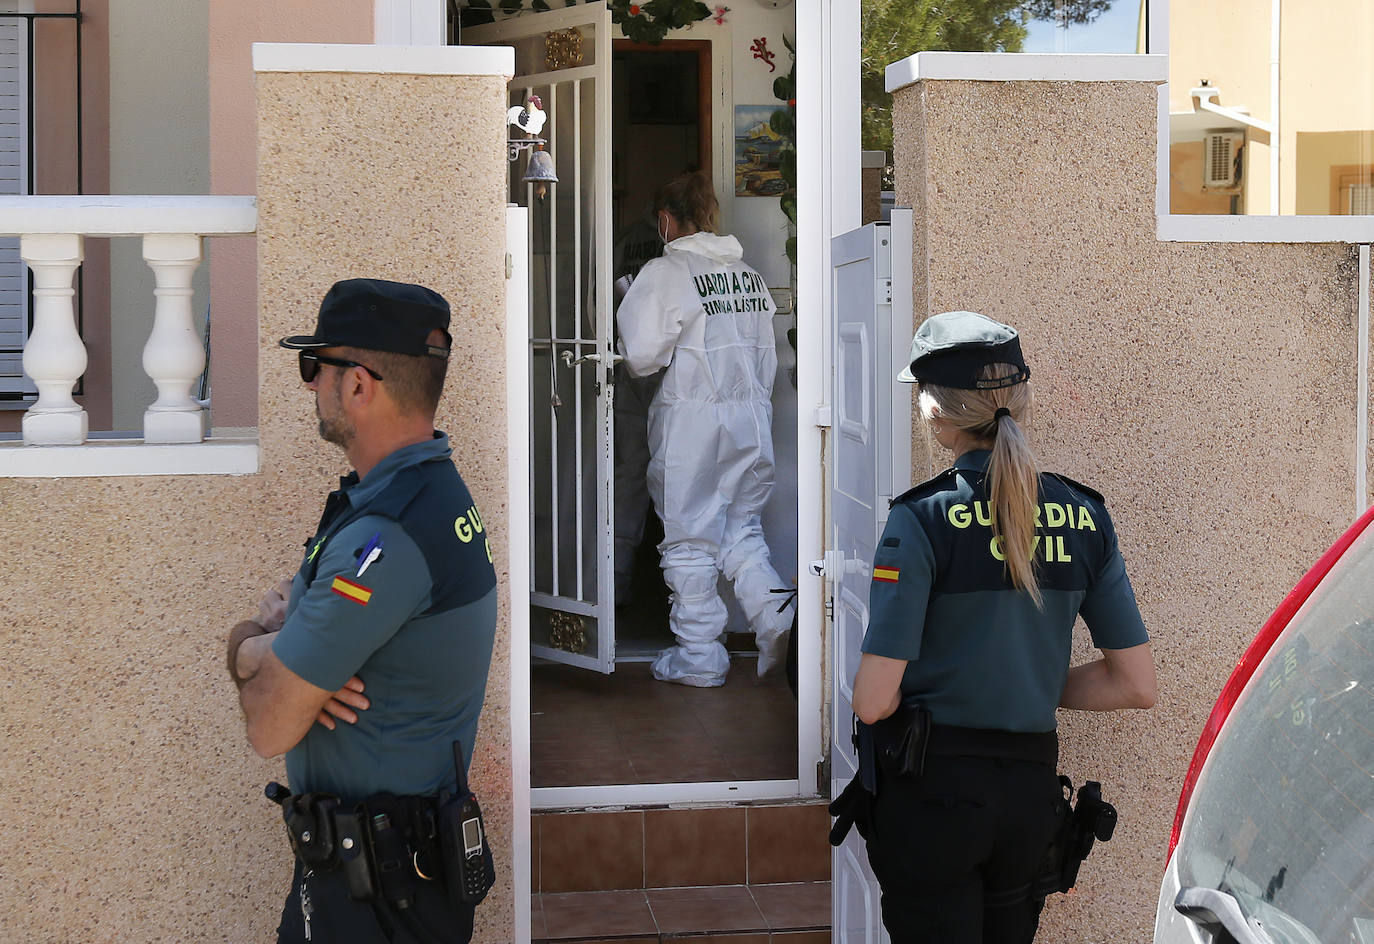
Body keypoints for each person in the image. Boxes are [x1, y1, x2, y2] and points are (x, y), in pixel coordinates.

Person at [849, 311, 1157, 943]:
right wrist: (1035, 681)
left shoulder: (921, 521)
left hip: (935, 799)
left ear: (935, 412)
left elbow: (875, 701)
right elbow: (1135, 683)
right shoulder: (1085, 517)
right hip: (1029, 797)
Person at [226, 278, 498, 944]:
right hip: (373, 880)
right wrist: (273, 647)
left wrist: (247, 647)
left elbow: (268, 722)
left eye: (314, 365)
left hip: (378, 900)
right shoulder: (406, 501)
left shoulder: (389, 536)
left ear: (358, 385)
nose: (309, 383)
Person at [616, 171, 793, 687]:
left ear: (667, 220)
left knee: (689, 537)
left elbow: (642, 356)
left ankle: (699, 656)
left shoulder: (667, 272)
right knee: (742, 528)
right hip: (750, 418)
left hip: (692, 421)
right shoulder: (749, 277)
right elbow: (764, 356)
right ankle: (776, 620)